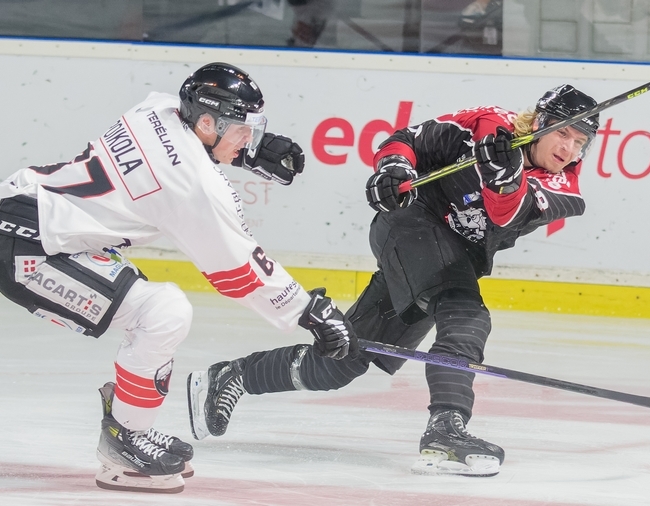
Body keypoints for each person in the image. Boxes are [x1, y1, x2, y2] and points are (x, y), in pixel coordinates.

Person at [186, 84, 599, 477]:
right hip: (410, 226)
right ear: (538, 122)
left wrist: (502, 177)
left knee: (340, 364)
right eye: (562, 133)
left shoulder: (568, 189)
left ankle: (233, 375)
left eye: (580, 142)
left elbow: (508, 213)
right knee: (465, 315)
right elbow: (407, 139)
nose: (568, 149)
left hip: (446, 258)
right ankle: (445, 430)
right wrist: (392, 169)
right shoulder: (486, 124)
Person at [0, 62, 355, 493]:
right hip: (32, 250)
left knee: (156, 311)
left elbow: (183, 145)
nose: (249, 138)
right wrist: (308, 312)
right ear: (206, 122)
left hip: (28, 214)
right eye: (244, 129)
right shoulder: (192, 186)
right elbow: (239, 271)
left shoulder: (157, 109)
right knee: (162, 313)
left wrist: (245, 150)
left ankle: (128, 423)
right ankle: (124, 443)